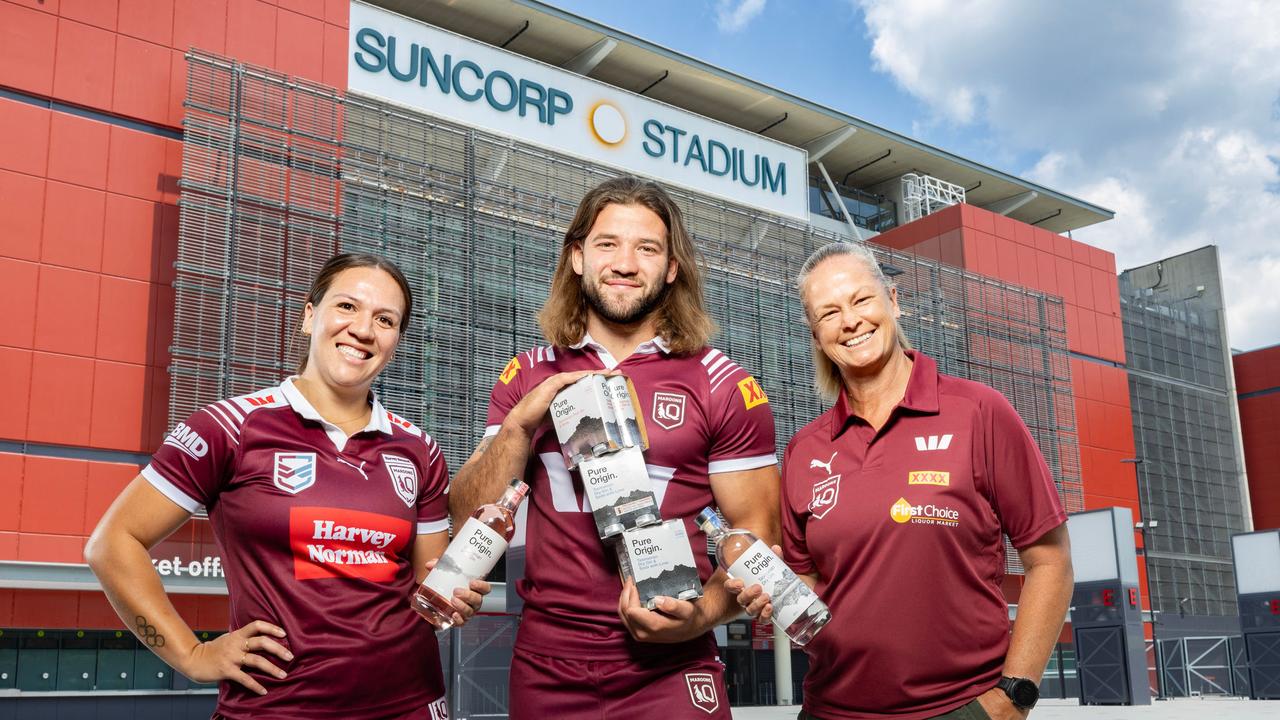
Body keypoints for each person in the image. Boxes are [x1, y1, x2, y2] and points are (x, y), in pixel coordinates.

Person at [85, 253, 486, 719]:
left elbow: (427, 592)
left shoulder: (420, 448)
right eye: (347, 307)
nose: (363, 329)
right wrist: (190, 656)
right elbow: (111, 545)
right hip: (277, 708)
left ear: (395, 341)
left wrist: (454, 599)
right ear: (309, 316)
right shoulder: (229, 427)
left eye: (385, 319)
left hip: (411, 704)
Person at [448, 176, 780, 720]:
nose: (625, 263)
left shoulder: (722, 383)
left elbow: (759, 539)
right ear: (577, 257)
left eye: (646, 248)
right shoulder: (527, 374)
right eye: (607, 244)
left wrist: (700, 618)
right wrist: (517, 428)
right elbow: (467, 521)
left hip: (671, 664)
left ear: (672, 268)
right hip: (547, 663)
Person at [728, 242, 1073, 720]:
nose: (850, 321)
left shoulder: (978, 412)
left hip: (957, 708)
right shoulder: (805, 449)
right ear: (815, 333)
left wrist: (1013, 696)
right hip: (830, 709)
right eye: (829, 312)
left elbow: (1050, 561)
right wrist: (770, 593)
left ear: (892, 300)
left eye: (861, 300)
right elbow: (807, 581)